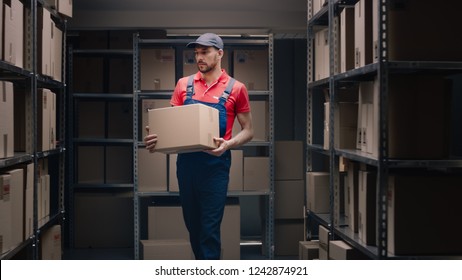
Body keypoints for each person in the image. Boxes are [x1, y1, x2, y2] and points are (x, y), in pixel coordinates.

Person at [144, 33, 254, 260]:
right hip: (187, 165)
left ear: (220, 53)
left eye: (205, 52)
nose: (199, 57)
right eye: (196, 53)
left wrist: (229, 144)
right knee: (193, 227)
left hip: (216, 166)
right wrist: (157, 141)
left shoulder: (236, 88)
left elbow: (249, 130)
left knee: (209, 230)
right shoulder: (184, 85)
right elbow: (172, 128)